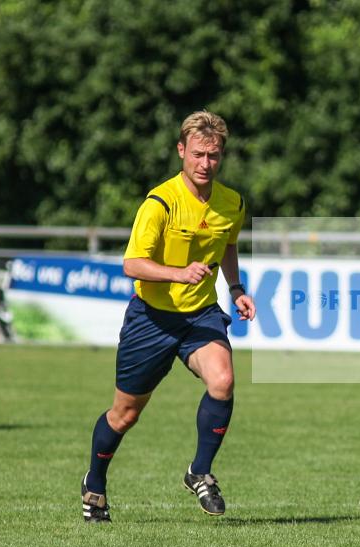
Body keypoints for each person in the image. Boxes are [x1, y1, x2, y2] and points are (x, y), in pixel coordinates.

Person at [80, 110, 256, 523]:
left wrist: (236, 290)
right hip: (151, 320)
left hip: (199, 315)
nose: (205, 163)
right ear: (182, 151)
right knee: (125, 415)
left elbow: (227, 244)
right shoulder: (160, 202)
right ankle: (95, 485)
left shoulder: (232, 203)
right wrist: (178, 273)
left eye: (213, 156)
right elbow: (132, 264)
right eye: (197, 154)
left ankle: (199, 472)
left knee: (224, 380)